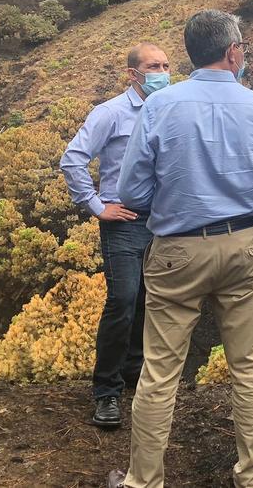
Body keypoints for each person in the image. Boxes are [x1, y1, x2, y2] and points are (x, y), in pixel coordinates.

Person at [108, 9, 253, 488]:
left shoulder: (158, 106)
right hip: (247, 246)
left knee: (160, 372)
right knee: (250, 366)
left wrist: (175, 200)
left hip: (177, 250)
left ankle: (143, 481)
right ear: (233, 52)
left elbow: (130, 193)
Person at [60, 42, 171, 428]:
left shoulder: (169, 109)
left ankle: (133, 374)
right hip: (122, 221)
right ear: (133, 73)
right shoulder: (110, 112)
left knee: (148, 300)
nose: (162, 71)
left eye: (166, 64)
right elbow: (73, 157)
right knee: (122, 300)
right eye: (153, 66)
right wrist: (95, 205)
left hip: (161, 221)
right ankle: (105, 392)